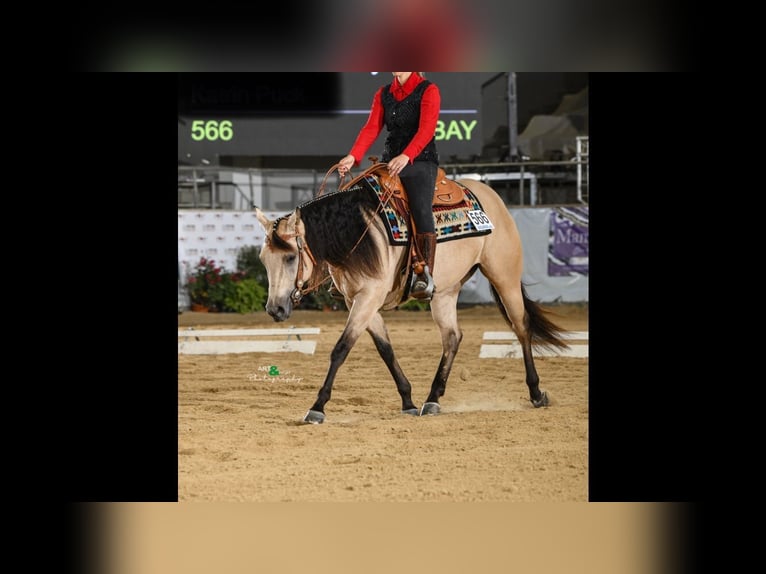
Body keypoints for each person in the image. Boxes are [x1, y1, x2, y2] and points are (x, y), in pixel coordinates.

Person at [338, 72, 440, 300]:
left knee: (421, 209)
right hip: (389, 161)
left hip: (420, 161)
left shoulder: (428, 90)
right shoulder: (383, 93)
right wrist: (353, 156)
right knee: (359, 198)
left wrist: (406, 156)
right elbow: (371, 128)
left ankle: (424, 273)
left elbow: (426, 130)